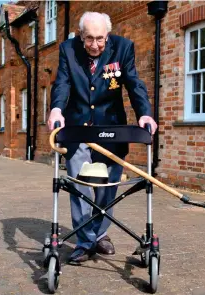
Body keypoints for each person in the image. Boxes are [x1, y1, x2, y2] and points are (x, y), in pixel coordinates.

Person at [48, 11, 157, 265]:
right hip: (78, 128)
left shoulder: (123, 48)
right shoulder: (68, 49)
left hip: (112, 127)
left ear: (108, 35)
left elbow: (133, 82)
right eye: (88, 39)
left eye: (100, 39)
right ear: (80, 34)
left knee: (108, 187)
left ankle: (101, 233)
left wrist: (145, 114)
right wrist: (56, 109)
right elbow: (62, 83)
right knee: (79, 184)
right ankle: (85, 241)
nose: (94, 45)